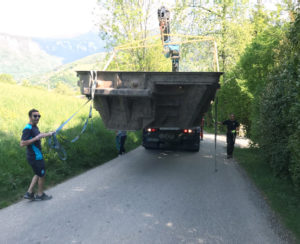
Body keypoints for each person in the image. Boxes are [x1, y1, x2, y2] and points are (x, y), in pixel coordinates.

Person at [20, 109, 54, 200]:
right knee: (42, 175)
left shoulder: (34, 127)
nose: (37, 118)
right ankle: (40, 195)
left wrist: (49, 134)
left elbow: (39, 135)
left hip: (37, 156)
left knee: (38, 173)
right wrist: (36, 138)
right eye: (35, 116)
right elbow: (22, 143)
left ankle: (29, 193)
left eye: (39, 116)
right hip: (34, 157)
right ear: (30, 117)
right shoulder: (28, 128)